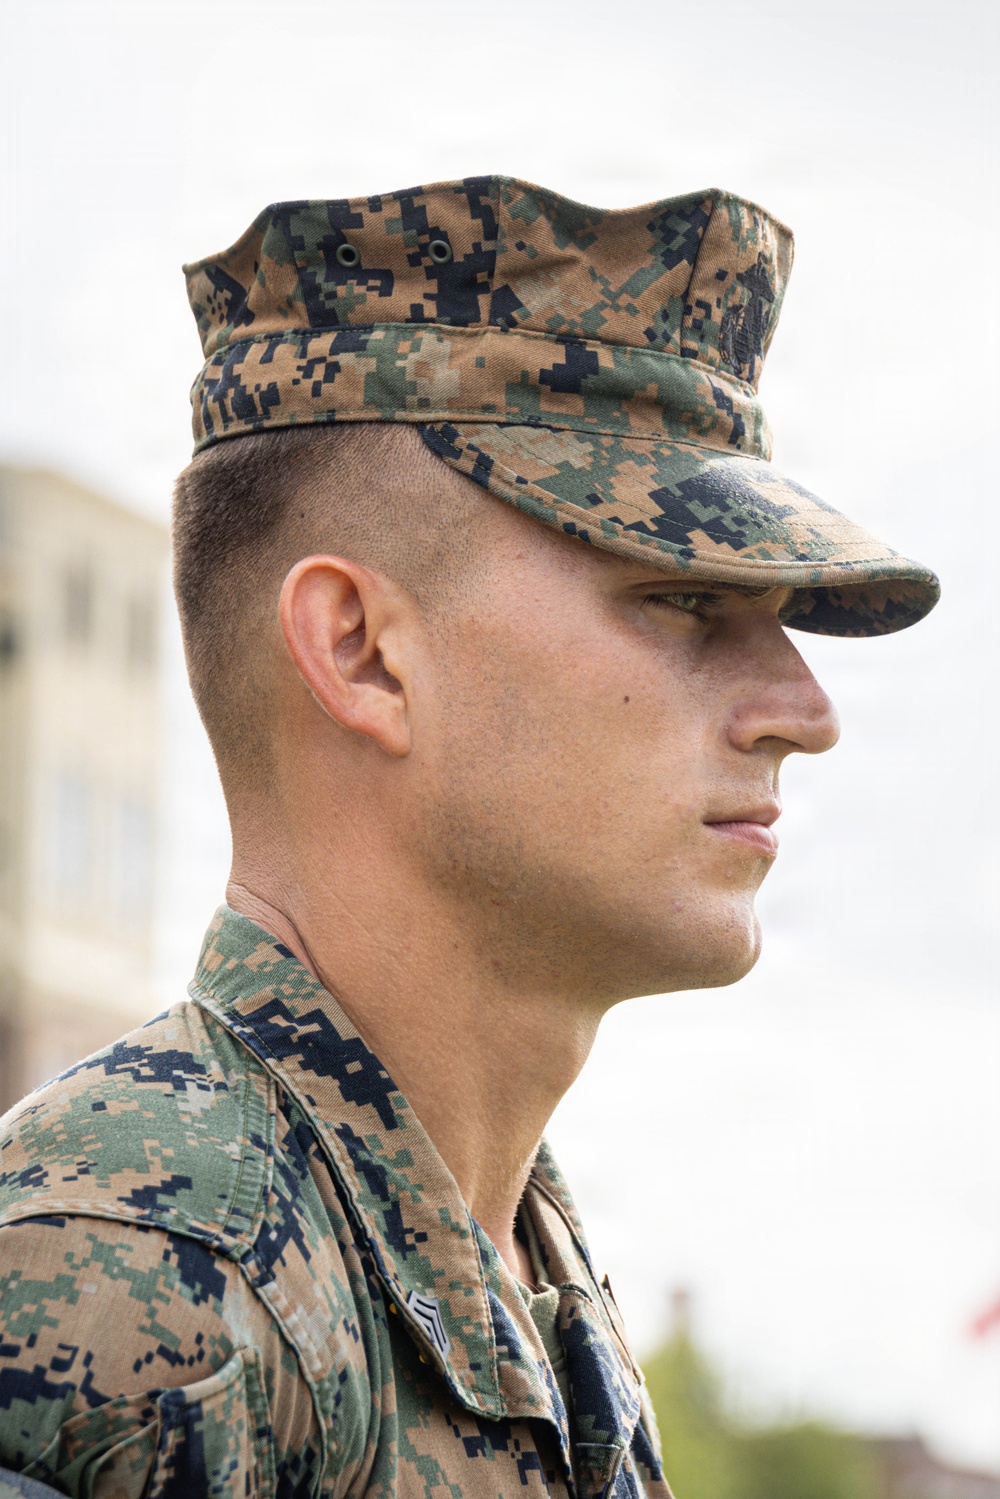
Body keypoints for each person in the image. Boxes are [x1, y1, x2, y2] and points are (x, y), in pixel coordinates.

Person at [0, 176, 938, 1499]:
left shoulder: (527, 1277)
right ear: (364, 653)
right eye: (680, 600)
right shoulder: (134, 1291)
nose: (804, 711)